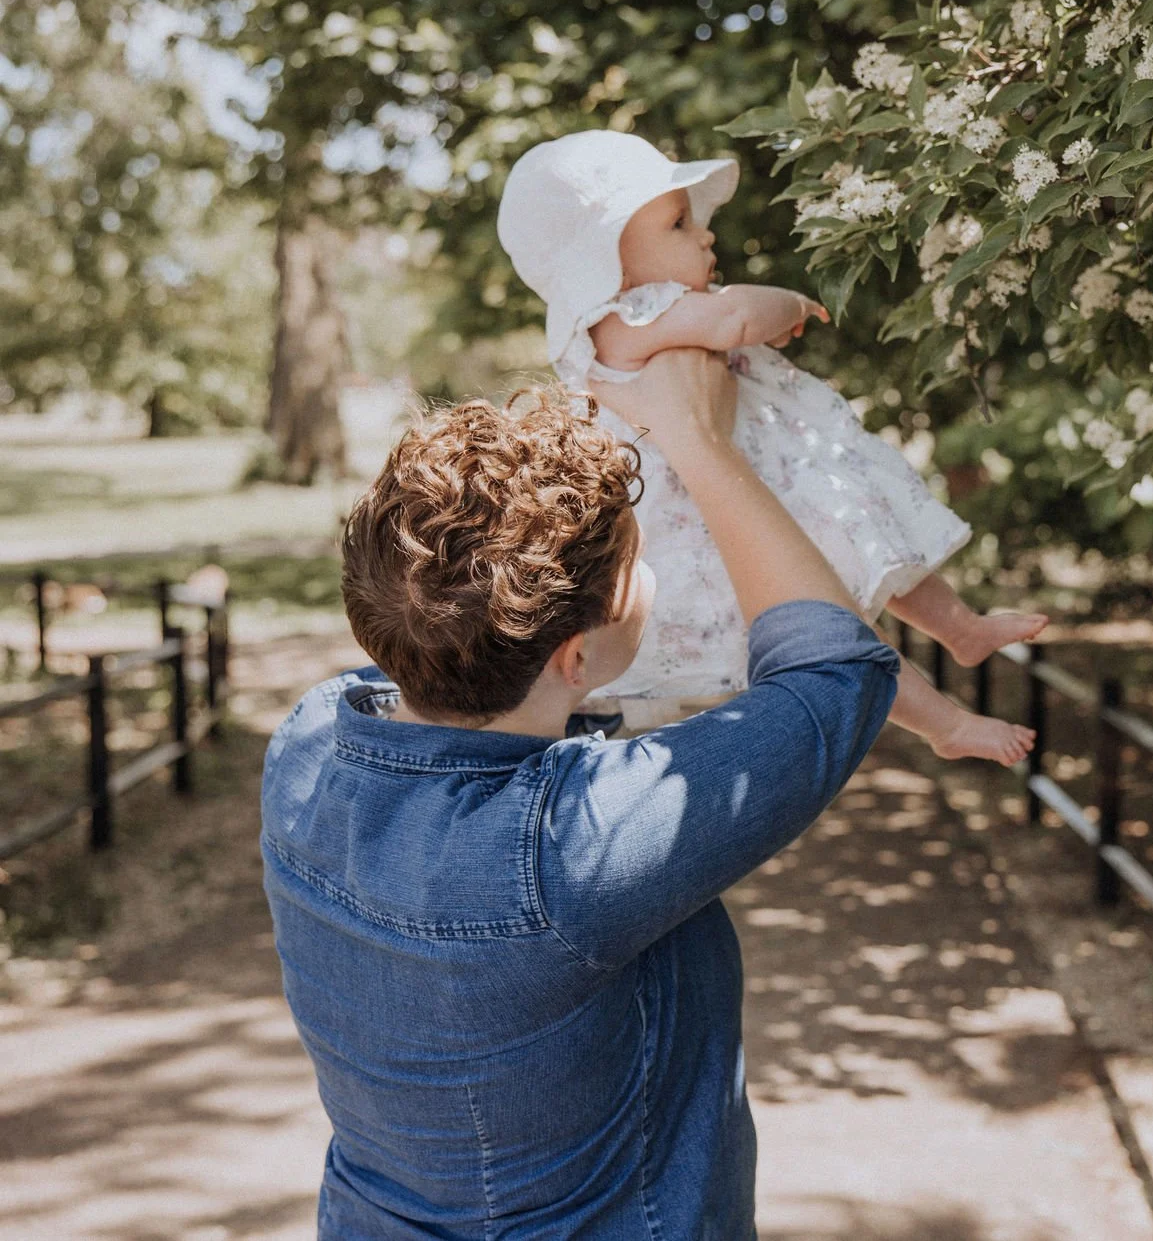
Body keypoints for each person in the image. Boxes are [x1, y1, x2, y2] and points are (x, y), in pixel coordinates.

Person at [262, 351, 898, 1237]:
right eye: (640, 561)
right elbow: (838, 675)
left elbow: (438, 629)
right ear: (571, 655)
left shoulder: (307, 746)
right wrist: (700, 440)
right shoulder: (570, 847)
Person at [496, 129, 1043, 765]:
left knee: (872, 558)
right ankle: (944, 721)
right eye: (677, 223)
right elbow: (735, 318)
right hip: (725, 518)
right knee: (830, 620)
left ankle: (962, 630)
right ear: (605, 260)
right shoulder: (621, 319)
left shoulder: (650, 314)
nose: (704, 234)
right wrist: (790, 304)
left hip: (763, 488)